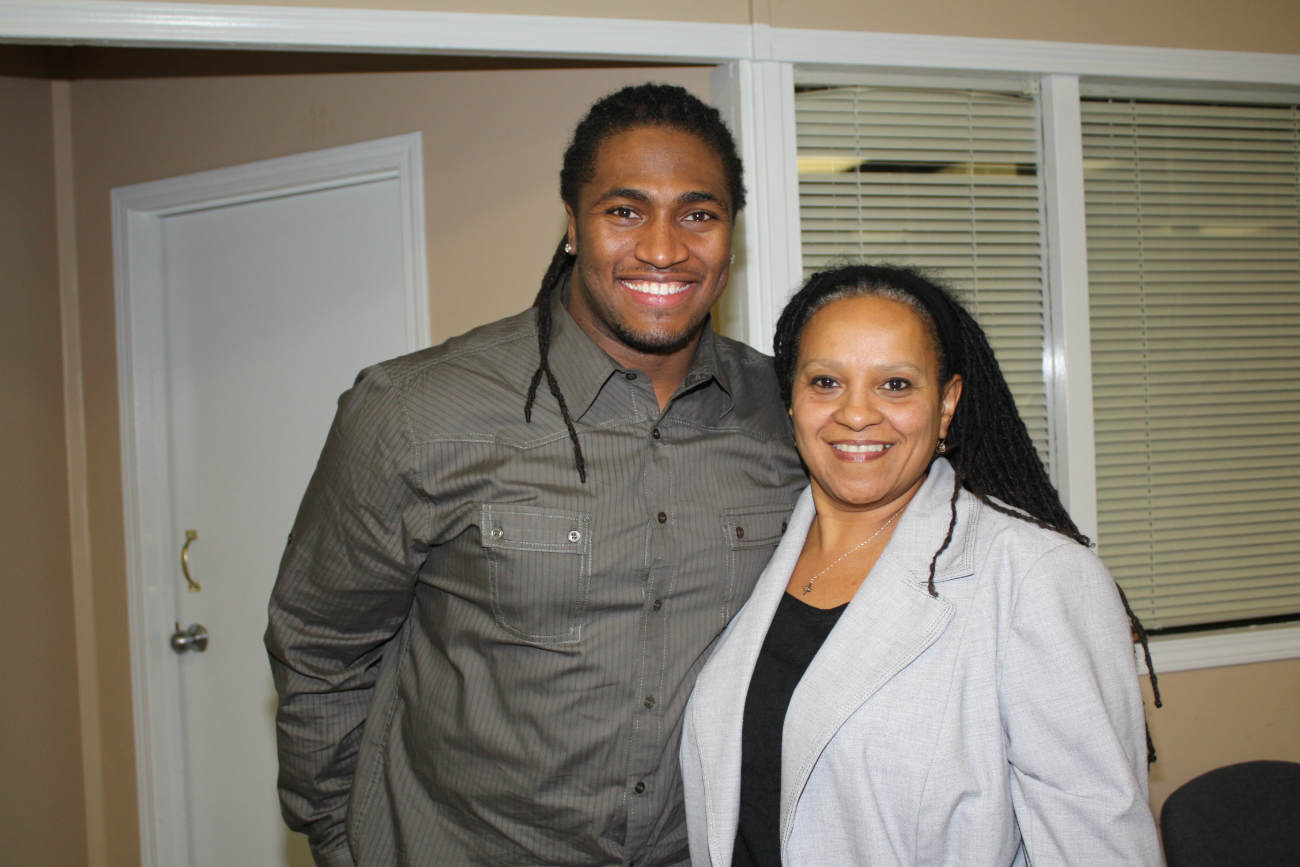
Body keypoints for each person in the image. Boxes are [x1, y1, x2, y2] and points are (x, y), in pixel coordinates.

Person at [265, 83, 805, 867]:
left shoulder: (791, 417)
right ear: (574, 226)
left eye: (699, 214)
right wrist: (342, 843)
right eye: (625, 211)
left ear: (731, 235)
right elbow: (320, 646)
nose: (663, 249)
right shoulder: (415, 411)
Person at [680, 264, 1163, 865]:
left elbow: (1100, 848)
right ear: (792, 400)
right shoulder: (756, 547)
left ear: (947, 402)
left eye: (896, 385)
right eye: (826, 381)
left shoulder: (1035, 577)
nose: (857, 413)